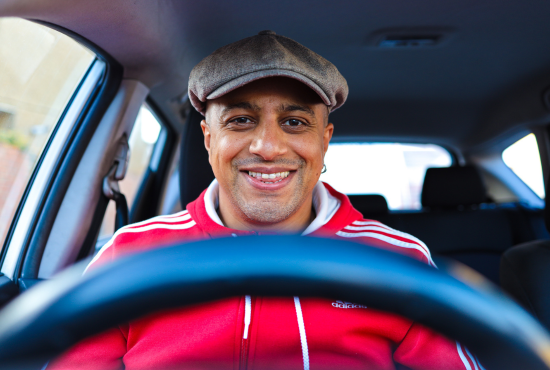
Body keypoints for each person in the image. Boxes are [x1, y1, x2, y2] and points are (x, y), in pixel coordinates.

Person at [49, 31, 481, 370]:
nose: (268, 146)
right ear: (208, 138)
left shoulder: (399, 262)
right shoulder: (129, 256)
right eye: (240, 120)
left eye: (295, 122)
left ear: (324, 140)